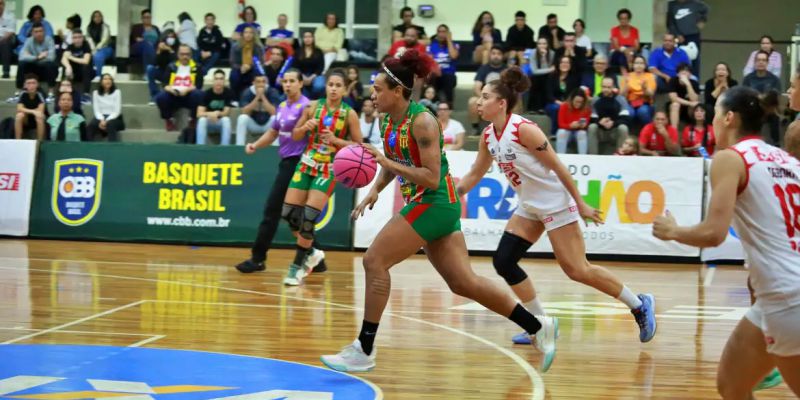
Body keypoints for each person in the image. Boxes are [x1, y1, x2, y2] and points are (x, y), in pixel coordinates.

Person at [320, 52, 557, 374]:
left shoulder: (423, 121)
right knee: (464, 283)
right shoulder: (387, 118)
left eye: (378, 88)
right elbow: (394, 159)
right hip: (426, 202)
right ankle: (537, 325)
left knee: (374, 261)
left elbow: (430, 176)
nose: (372, 94)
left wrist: (387, 163)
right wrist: (377, 187)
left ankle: (364, 347)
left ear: (398, 90)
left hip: (434, 202)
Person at [460, 66, 655, 347]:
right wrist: (453, 193)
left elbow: (559, 168)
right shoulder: (488, 136)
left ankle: (638, 304)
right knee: (504, 261)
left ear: (501, 103)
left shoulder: (524, 130)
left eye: (485, 97)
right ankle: (540, 325)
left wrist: (581, 204)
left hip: (554, 203)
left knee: (577, 270)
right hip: (529, 206)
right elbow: (475, 174)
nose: (478, 102)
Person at [653, 85, 800, 398]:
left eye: (716, 115)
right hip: (778, 296)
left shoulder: (729, 159)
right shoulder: (785, 159)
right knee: (732, 385)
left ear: (730, 118)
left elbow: (714, 234)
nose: (712, 123)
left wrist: (673, 231)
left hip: (787, 296)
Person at [236, 68, 328, 274]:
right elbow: (273, 132)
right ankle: (316, 256)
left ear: (300, 83)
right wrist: (255, 145)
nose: (287, 85)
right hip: (286, 162)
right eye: (285, 81)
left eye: (292, 81)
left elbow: (318, 135)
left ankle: (258, 258)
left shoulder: (308, 107)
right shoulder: (282, 106)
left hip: (300, 163)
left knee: (272, 210)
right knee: (293, 215)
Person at [282, 68, 362, 286]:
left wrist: (336, 140)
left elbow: (359, 145)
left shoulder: (349, 114)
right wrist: (305, 126)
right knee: (288, 214)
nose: (333, 89)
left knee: (308, 218)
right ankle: (312, 253)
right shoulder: (312, 107)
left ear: (345, 90)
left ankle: (297, 267)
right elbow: (295, 134)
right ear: (325, 87)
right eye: (331, 85)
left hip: (329, 168)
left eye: (338, 86)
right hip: (306, 163)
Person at [154, 44, 204, 132]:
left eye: (187, 54)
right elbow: (165, 84)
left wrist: (187, 90)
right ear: (178, 55)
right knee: (160, 97)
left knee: (199, 94)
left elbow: (198, 85)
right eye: (182, 54)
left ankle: (193, 120)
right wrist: (171, 90)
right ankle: (168, 120)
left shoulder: (197, 67)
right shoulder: (171, 66)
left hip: (189, 95)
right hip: (174, 95)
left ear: (191, 55)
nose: (185, 56)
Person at [467, 45, 507, 134]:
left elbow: (509, 88)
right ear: (490, 55)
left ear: (502, 56)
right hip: (485, 96)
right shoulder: (483, 68)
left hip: (501, 98)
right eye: (493, 53)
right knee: (473, 101)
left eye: (499, 54)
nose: (496, 56)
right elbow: (477, 87)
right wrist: (485, 98)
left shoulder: (506, 69)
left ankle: (508, 128)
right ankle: (475, 128)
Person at [588, 77, 631, 155]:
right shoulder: (596, 99)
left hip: (614, 131)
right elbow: (592, 118)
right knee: (592, 127)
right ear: (601, 87)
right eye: (604, 87)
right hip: (600, 132)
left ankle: (620, 155)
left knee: (623, 128)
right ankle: (592, 156)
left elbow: (625, 119)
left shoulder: (620, 99)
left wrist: (613, 123)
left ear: (613, 87)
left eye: (608, 87)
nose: (606, 89)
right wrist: (600, 122)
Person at [666, 0, 709, 77]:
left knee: (695, 58)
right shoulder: (671, 5)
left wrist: (702, 20)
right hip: (678, 37)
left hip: (693, 35)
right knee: (676, 58)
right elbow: (670, 23)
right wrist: (677, 34)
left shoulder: (696, 4)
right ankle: (677, 79)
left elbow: (706, 9)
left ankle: (694, 80)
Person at [16, 23, 56, 102]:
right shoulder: (29, 41)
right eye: (36, 32)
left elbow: (51, 57)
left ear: (44, 32)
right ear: (32, 33)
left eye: (41, 31)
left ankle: (51, 93)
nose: (39, 34)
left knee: (51, 65)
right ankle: (18, 93)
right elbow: (21, 57)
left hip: (45, 70)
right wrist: (37, 57)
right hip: (33, 69)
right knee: (22, 64)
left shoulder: (49, 40)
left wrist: (30, 57)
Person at [545, 56, 581, 135]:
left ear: (570, 65)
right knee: (556, 108)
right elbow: (548, 94)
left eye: (567, 62)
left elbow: (575, 93)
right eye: (562, 62)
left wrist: (567, 102)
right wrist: (557, 102)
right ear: (558, 64)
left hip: (569, 102)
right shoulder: (552, 76)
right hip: (553, 103)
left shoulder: (574, 78)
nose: (564, 64)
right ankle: (554, 132)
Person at [196, 69, 234, 145]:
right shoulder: (206, 93)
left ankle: (224, 148)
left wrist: (217, 113)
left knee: (226, 120)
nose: (218, 81)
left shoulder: (228, 92)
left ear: (224, 81)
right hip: (209, 122)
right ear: (213, 81)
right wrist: (210, 114)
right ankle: (200, 147)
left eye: (221, 79)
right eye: (216, 79)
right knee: (201, 120)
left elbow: (226, 113)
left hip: (220, 122)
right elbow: (199, 114)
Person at [235, 75, 275, 146]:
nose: (261, 84)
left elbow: (274, 112)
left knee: (276, 118)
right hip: (253, 125)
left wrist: (262, 96)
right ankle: (239, 146)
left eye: (263, 82)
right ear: (253, 83)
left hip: (268, 126)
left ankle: (275, 149)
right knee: (242, 118)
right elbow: (244, 111)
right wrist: (257, 97)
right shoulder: (247, 92)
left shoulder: (271, 92)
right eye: (258, 82)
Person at [426, 24, 459, 104]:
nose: (441, 34)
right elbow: (429, 61)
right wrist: (436, 69)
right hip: (435, 73)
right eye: (439, 32)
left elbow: (453, 56)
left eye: (444, 32)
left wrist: (449, 40)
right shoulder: (431, 46)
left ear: (448, 33)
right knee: (431, 75)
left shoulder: (455, 45)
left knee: (448, 78)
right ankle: (430, 104)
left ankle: (449, 105)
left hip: (448, 74)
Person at [620, 55, 656, 126]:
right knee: (629, 113)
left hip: (645, 103)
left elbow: (651, 94)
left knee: (642, 112)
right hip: (630, 103)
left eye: (641, 63)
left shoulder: (650, 76)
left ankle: (647, 129)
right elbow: (621, 95)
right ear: (633, 65)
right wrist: (627, 85)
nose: (639, 65)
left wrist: (644, 87)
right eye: (636, 63)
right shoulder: (627, 76)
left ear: (645, 65)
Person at [229, 26, 264, 96]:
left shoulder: (258, 47)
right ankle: (235, 97)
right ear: (242, 34)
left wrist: (249, 66)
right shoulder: (235, 46)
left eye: (250, 33)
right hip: (239, 68)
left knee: (258, 73)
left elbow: (260, 62)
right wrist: (241, 67)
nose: (248, 35)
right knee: (234, 74)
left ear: (254, 35)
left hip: (253, 69)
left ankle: (255, 96)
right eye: (246, 32)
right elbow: (232, 62)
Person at [146, 29, 180, 102]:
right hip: (162, 73)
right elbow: (154, 63)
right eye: (169, 37)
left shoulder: (178, 47)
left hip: (174, 74)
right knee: (150, 68)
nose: (171, 39)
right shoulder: (161, 47)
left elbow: (177, 62)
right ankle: (154, 95)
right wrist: (159, 51)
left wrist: (170, 50)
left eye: (173, 37)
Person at [88, 73, 122, 142]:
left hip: (114, 117)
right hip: (100, 117)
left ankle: (113, 148)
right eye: (105, 79)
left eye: (110, 79)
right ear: (101, 82)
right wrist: (102, 120)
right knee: (91, 126)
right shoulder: (96, 93)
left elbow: (116, 111)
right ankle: (88, 148)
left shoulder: (117, 92)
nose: (108, 81)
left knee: (111, 125)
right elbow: (97, 110)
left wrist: (106, 121)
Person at [556, 88, 591, 154]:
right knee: (561, 132)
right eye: (576, 101)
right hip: (567, 132)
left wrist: (583, 125)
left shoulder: (586, 109)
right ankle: (561, 157)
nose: (578, 104)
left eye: (580, 102)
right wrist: (570, 126)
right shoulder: (564, 106)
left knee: (582, 133)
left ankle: (583, 158)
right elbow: (560, 124)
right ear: (572, 100)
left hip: (578, 132)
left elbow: (586, 124)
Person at [525, 38, 555, 112]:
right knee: (536, 80)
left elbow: (549, 70)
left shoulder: (552, 53)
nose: (542, 46)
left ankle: (542, 107)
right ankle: (532, 108)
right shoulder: (533, 53)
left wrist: (544, 57)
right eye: (539, 44)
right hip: (535, 76)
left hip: (547, 76)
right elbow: (534, 71)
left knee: (546, 80)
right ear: (537, 45)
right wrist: (550, 69)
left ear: (548, 45)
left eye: (544, 44)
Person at [61, 29, 92, 98]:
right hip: (73, 73)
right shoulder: (70, 46)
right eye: (75, 37)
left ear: (82, 38)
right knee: (65, 67)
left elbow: (86, 61)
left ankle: (86, 94)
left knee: (85, 67)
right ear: (72, 39)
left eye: (79, 37)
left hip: (85, 73)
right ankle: (64, 92)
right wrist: (68, 67)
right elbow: (63, 59)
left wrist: (71, 57)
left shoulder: (86, 45)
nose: (77, 39)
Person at [668, 63, 700, 129]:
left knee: (696, 105)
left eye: (687, 71)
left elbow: (694, 99)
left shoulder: (694, 83)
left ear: (690, 74)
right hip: (677, 107)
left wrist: (688, 84)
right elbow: (673, 98)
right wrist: (690, 103)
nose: (684, 73)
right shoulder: (673, 81)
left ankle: (694, 129)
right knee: (675, 105)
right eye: (681, 71)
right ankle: (674, 131)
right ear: (678, 74)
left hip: (689, 109)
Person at [14, 74, 46, 140]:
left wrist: (25, 110)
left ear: (37, 84)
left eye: (33, 83)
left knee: (39, 116)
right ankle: (17, 141)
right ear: (25, 85)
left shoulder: (40, 94)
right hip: (26, 119)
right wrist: (33, 111)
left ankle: (40, 142)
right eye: (28, 83)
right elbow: (19, 108)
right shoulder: (23, 94)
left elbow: (41, 110)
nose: (31, 86)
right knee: (19, 115)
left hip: (37, 119)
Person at [295, 32, 325, 99]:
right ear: (303, 39)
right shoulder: (298, 51)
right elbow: (295, 66)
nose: (307, 39)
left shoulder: (318, 51)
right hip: (301, 74)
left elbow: (321, 67)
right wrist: (302, 76)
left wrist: (311, 77)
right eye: (305, 37)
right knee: (299, 87)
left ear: (313, 38)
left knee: (319, 86)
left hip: (316, 75)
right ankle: (306, 100)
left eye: (310, 37)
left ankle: (314, 100)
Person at [610, 8, 640, 73]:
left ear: (629, 19)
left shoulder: (634, 30)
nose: (623, 20)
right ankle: (625, 74)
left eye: (625, 18)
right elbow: (616, 46)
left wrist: (629, 52)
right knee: (621, 56)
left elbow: (637, 46)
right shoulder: (614, 30)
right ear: (618, 19)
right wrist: (626, 52)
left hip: (631, 53)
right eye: (621, 18)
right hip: (617, 53)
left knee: (638, 58)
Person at [86, 11, 113, 78]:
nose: (97, 18)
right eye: (95, 16)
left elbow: (104, 40)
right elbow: (89, 40)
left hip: (106, 48)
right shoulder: (89, 28)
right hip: (93, 49)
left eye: (99, 16)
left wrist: (96, 50)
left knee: (98, 56)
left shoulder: (106, 27)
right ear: (92, 18)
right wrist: (93, 49)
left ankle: (98, 76)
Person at [198, 13, 224, 77]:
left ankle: (203, 71)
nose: (209, 22)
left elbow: (219, 45)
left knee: (216, 54)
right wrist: (202, 51)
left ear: (214, 21)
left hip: (213, 52)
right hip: (203, 52)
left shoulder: (218, 32)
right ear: (205, 21)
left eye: (211, 20)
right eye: (208, 20)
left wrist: (210, 52)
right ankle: (196, 69)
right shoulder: (202, 31)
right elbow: (199, 43)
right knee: (195, 52)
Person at [0, 0, 15, 78]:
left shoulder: (10, 16)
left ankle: (6, 71)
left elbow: (11, 32)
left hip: (7, 39)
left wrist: (1, 39)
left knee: (5, 43)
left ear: (4, 5)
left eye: (1, 4)